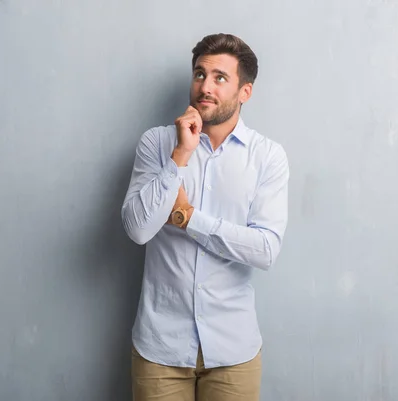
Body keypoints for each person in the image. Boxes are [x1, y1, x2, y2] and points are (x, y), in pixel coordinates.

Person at [121, 33, 289, 401]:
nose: (205, 86)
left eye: (220, 78)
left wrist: (186, 218)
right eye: (199, 74)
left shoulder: (267, 157)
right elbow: (137, 228)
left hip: (233, 352)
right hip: (160, 349)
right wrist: (180, 154)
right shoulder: (157, 143)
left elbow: (265, 250)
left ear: (245, 92)